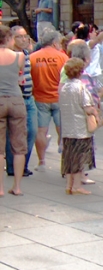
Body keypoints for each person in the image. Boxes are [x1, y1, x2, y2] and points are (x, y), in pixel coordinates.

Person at [29, 29, 68, 171]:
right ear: (55, 43)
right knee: (63, 131)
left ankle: (42, 162)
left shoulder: (33, 57)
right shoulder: (63, 58)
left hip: (40, 98)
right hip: (59, 98)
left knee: (41, 131)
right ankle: (65, 162)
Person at [59, 58, 98, 195]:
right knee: (79, 157)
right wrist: (95, 112)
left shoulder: (64, 87)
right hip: (80, 128)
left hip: (68, 127)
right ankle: (76, 186)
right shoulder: (81, 87)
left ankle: (69, 185)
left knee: (69, 157)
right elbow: (87, 108)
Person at [0, 25, 28, 197]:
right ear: (9, 39)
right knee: (19, 146)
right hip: (17, 101)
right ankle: (17, 186)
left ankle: (0, 188)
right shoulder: (19, 56)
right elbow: (20, 76)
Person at [5, 27, 36, 178]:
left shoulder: (26, 54)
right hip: (15, 98)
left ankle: (22, 164)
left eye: (26, 37)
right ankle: (13, 166)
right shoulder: (10, 56)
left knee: (32, 131)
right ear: (12, 38)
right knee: (12, 134)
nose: (24, 40)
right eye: (20, 37)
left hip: (29, 97)